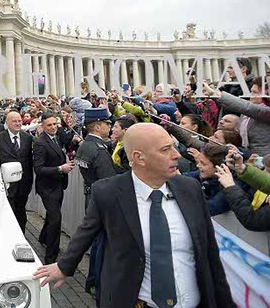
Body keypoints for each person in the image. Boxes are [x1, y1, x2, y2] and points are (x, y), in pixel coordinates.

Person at [34, 123, 234, 308]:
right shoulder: (109, 192)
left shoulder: (190, 188)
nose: (176, 155)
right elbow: (86, 231)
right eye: (166, 150)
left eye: (173, 147)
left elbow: (210, 253)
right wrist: (64, 266)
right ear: (139, 158)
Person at [73, 107, 116, 295]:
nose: (109, 126)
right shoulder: (98, 150)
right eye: (107, 123)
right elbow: (109, 181)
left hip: (91, 196)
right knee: (101, 244)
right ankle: (97, 284)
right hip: (101, 201)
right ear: (98, 126)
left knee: (97, 242)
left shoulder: (85, 146)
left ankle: (92, 280)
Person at [32, 112, 75, 263]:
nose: (53, 127)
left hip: (58, 185)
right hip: (47, 188)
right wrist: (60, 168)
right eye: (49, 125)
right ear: (43, 126)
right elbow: (39, 169)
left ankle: (43, 238)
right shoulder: (40, 143)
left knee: (52, 216)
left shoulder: (55, 138)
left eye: (55, 124)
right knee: (56, 220)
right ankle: (51, 258)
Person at [0, 111, 34, 233]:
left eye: (19, 121)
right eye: (14, 121)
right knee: (8, 210)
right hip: (7, 183)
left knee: (21, 211)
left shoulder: (27, 138)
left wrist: (29, 182)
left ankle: (21, 235)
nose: (18, 123)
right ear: (7, 123)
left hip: (23, 183)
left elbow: (29, 161)